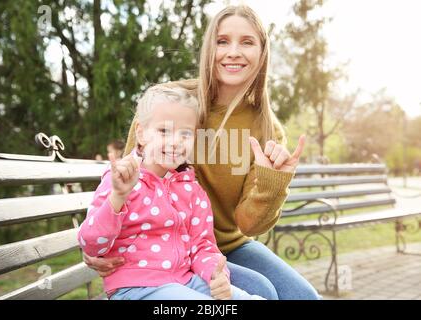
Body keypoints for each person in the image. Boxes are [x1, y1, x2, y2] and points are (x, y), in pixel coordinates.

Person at [83, 5, 320, 300]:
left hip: (225, 245)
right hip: (158, 250)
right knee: (263, 291)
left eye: (247, 42)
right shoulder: (170, 103)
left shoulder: (268, 128)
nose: (233, 51)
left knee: (304, 297)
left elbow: (249, 225)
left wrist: (274, 181)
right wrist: (104, 242)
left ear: (262, 52)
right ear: (210, 47)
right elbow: (130, 181)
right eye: (223, 41)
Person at [78, 85, 263, 300]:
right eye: (164, 131)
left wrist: (215, 273)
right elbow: (90, 242)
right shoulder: (122, 180)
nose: (175, 142)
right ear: (141, 133)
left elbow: (202, 245)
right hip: (137, 288)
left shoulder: (191, 189)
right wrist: (117, 198)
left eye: (185, 134)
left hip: (184, 281)